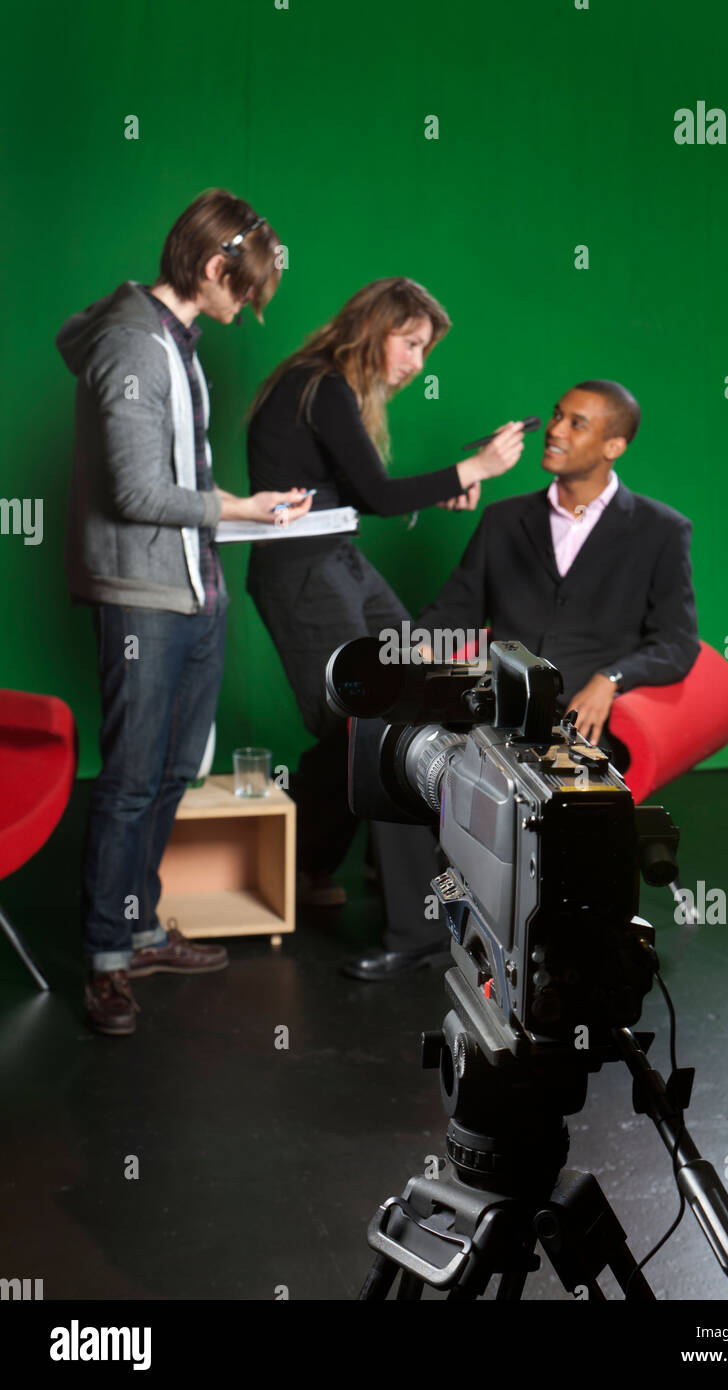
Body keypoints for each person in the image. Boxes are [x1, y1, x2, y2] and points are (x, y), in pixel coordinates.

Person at [57, 189, 312, 1036]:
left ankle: (136, 923)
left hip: (196, 587)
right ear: (213, 269)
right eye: (244, 292)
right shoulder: (133, 342)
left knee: (172, 773)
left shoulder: (173, 339)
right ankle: (105, 962)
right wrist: (242, 508)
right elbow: (134, 492)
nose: (245, 312)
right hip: (144, 597)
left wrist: (237, 515)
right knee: (131, 780)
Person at [245, 276, 524, 978]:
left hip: (336, 554)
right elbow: (376, 495)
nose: (416, 364)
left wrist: (448, 482)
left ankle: (310, 864)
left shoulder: (329, 389)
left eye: (424, 350)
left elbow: (358, 497)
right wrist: (474, 466)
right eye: (411, 344)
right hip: (302, 570)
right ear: (376, 331)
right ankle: (417, 927)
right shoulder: (320, 384)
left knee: (411, 693)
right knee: (379, 720)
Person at [417, 380, 700, 753]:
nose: (554, 430)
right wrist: (412, 649)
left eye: (576, 423)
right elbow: (455, 611)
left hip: (585, 726)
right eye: (556, 415)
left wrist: (611, 679)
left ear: (613, 446)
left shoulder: (661, 529)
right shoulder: (502, 519)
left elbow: (676, 643)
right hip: (493, 712)